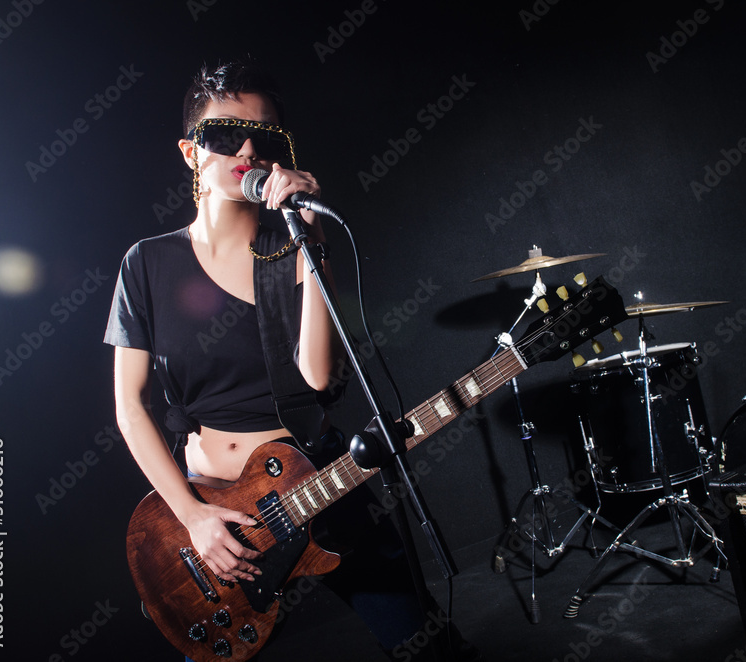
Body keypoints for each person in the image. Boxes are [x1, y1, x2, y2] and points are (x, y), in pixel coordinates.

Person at [105, 60, 474, 661]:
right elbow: (129, 407)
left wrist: (310, 241)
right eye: (226, 134)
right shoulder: (145, 264)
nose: (248, 148)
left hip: (318, 476)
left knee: (428, 643)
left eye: (267, 137)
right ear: (190, 151)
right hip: (210, 502)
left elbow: (318, 376)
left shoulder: (291, 245)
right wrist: (193, 516)